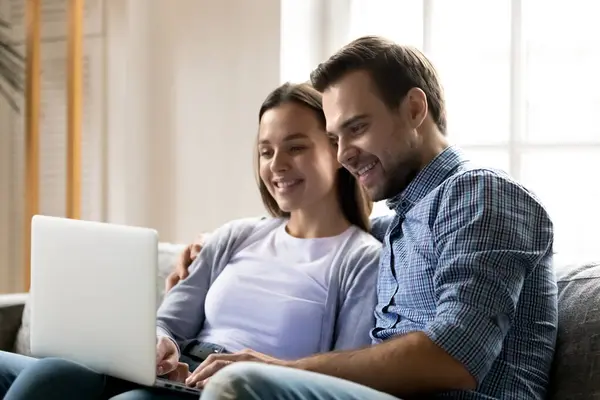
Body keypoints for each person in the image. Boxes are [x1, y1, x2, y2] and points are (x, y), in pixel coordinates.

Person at [170, 36, 558, 400]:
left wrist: (285, 369)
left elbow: (455, 354)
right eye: (336, 138)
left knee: (242, 382)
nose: (343, 155)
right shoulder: (402, 221)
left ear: (414, 110)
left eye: (357, 128)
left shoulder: (479, 194)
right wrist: (213, 246)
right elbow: (320, 234)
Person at [0, 82, 382, 399]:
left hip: (234, 391)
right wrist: (160, 347)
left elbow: (342, 377)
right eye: (266, 151)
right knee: (49, 376)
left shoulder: (362, 259)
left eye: (296, 147)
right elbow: (168, 324)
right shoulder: (236, 236)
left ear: (336, 151)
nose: (276, 164)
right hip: (178, 377)